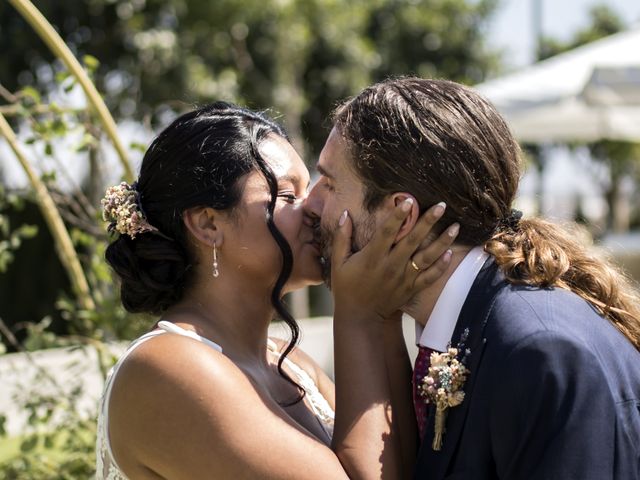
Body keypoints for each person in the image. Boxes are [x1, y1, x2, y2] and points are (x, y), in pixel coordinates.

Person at [96, 101, 456, 479]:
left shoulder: (292, 366)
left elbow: (402, 467)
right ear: (207, 224)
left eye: (315, 189)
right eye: (287, 196)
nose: (316, 209)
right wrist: (358, 315)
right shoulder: (168, 368)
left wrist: (383, 314)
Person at [305, 77, 640, 480]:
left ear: (401, 216)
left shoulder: (538, 349)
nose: (310, 202)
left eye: (329, 183)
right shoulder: (478, 324)